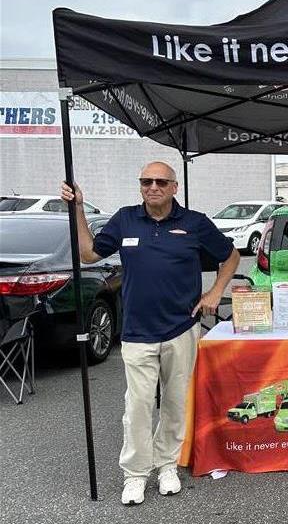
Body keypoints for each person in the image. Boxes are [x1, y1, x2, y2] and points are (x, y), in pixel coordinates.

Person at [61, 162, 240, 506]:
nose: (153, 186)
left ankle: (167, 464)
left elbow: (230, 256)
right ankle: (136, 474)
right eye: (146, 181)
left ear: (175, 187)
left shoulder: (194, 223)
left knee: (174, 402)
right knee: (139, 405)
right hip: (137, 331)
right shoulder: (126, 219)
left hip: (181, 328)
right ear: (140, 186)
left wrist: (215, 292)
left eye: (161, 181)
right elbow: (88, 253)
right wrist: (79, 208)